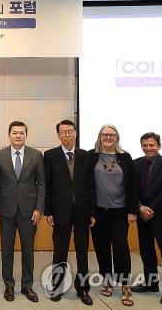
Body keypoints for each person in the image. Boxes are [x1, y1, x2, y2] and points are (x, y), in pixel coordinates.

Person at [43, 120, 94, 305]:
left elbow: (91, 185)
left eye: (70, 131)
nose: (67, 135)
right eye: (63, 132)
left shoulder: (85, 155)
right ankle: (57, 287)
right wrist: (48, 211)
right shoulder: (49, 155)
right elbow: (47, 185)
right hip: (59, 211)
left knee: (82, 252)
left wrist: (92, 212)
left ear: (75, 133)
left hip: (82, 211)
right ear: (58, 135)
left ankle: (83, 289)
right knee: (60, 252)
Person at [0, 120, 45, 303]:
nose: (18, 136)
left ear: (25, 135)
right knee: (6, 250)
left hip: (29, 212)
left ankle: (27, 285)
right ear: (9, 135)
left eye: (21, 133)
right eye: (14, 133)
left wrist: (39, 208)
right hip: (6, 211)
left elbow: (42, 184)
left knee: (28, 251)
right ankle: (9, 285)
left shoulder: (36, 155)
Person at [88, 124, 139, 307]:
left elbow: (134, 186)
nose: (108, 137)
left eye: (112, 134)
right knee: (101, 248)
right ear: (99, 136)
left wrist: (133, 211)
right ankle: (107, 280)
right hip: (98, 213)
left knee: (120, 246)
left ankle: (125, 285)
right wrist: (90, 213)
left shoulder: (125, 157)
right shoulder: (91, 156)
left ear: (117, 137)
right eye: (105, 134)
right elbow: (86, 186)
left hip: (120, 212)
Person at [132, 132, 162, 305]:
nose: (148, 148)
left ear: (158, 146)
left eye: (152, 145)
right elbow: (131, 189)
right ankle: (151, 283)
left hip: (161, 215)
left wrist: (151, 209)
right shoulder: (135, 164)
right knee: (146, 251)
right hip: (142, 215)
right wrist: (139, 208)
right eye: (145, 145)